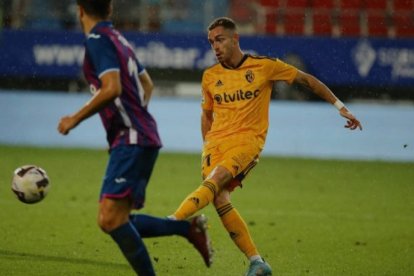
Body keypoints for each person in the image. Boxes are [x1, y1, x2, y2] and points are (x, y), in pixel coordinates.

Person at [169, 17, 362, 276]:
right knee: (219, 197)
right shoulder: (210, 76)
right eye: (211, 42)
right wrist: (207, 147)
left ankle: (171, 222)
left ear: (235, 39)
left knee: (216, 181)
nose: (215, 46)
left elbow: (306, 80)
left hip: (246, 143)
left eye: (220, 39)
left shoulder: (264, 67)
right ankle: (257, 262)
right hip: (215, 145)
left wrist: (341, 107)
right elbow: (206, 114)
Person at [57, 1, 212, 275]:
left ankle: (185, 230)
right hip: (138, 136)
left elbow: (112, 88)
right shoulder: (118, 39)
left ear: (80, 10)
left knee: (110, 219)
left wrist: (74, 118)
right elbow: (147, 83)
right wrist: (136, 121)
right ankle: (187, 228)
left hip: (132, 138)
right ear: (109, 10)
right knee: (117, 219)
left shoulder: (97, 40)